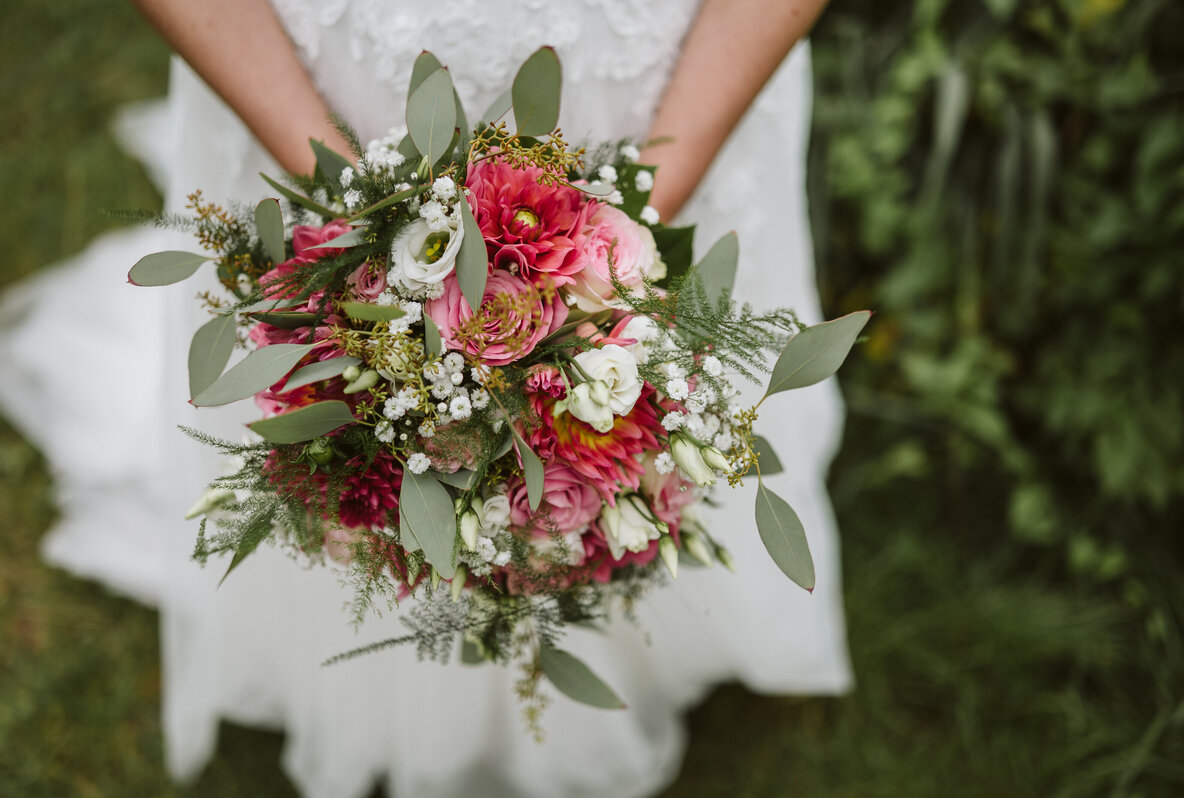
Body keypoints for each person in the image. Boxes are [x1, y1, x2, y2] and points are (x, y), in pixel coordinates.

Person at [0, 1, 850, 795]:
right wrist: (354, 224)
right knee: (350, 420)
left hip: (664, 75)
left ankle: (636, 624)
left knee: (624, 434)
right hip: (323, 75)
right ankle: (373, 673)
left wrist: (621, 234)